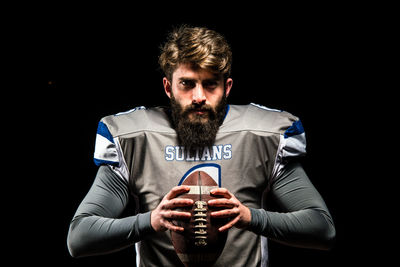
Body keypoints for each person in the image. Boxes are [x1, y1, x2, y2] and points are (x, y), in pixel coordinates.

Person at [67, 25, 335, 266]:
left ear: (227, 88)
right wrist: (151, 221)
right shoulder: (134, 138)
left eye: (210, 85)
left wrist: (250, 217)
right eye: (187, 84)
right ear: (168, 87)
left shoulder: (262, 135)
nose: (199, 97)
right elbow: (80, 238)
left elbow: (322, 229)